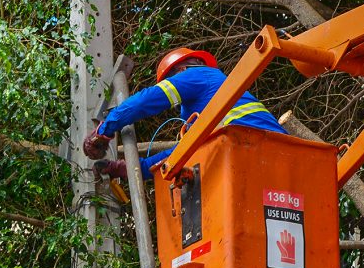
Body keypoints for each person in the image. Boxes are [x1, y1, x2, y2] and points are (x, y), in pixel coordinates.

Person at [83, 47, 288, 179]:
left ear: (181, 71)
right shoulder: (208, 113)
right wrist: (127, 168)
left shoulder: (199, 75)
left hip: (255, 145)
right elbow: (181, 155)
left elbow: (148, 100)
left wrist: (106, 128)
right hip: (275, 155)